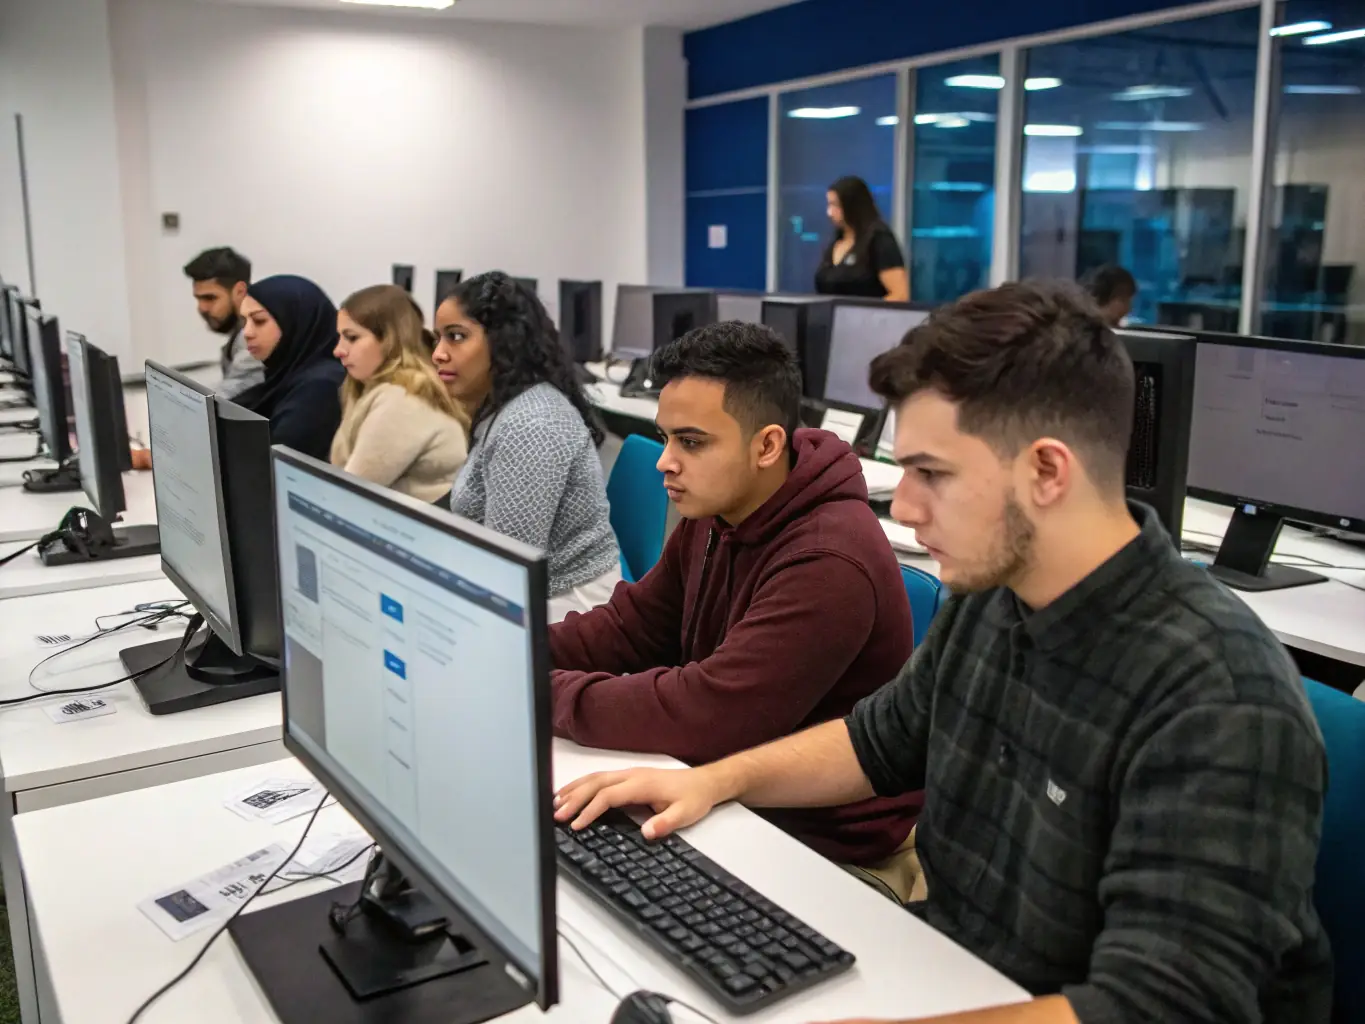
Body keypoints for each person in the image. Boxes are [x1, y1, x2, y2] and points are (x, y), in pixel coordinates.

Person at [555, 282, 1331, 1024]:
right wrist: (711, 782)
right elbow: (875, 741)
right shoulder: (993, 600)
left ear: (1046, 472)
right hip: (956, 965)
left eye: (930, 474)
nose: (907, 507)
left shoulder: (1217, 697)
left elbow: (1165, 1006)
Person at [550, 321, 917, 870]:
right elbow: (632, 628)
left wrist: (541, 692)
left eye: (691, 441)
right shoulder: (721, 509)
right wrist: (516, 646)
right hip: (726, 790)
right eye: (667, 436)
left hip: (820, 844)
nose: (664, 461)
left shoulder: (829, 561)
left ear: (766, 445)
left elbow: (706, 715)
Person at [433, 271, 620, 618]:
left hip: (569, 604)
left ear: (504, 342)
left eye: (456, 337)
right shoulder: (500, 405)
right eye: (438, 338)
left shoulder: (530, 424)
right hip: (542, 592)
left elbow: (508, 572)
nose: (438, 354)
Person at [330, 285, 468, 501]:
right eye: (340, 337)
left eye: (352, 338)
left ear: (389, 340)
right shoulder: (365, 387)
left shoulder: (403, 399)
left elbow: (350, 495)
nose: (338, 350)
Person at [234, 274, 346, 461]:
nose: (247, 333)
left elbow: (274, 463)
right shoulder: (285, 374)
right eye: (244, 321)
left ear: (295, 321)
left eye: (259, 321)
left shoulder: (321, 387)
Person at [184, 247, 262, 399]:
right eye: (198, 299)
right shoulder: (244, 325)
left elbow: (223, 403)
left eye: (210, 298)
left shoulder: (256, 337)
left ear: (240, 291)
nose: (201, 308)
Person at [815, 176, 909, 301]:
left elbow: (900, 295)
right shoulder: (836, 240)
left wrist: (865, 315)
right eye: (829, 205)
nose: (829, 213)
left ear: (851, 205)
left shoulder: (878, 238)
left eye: (835, 205)